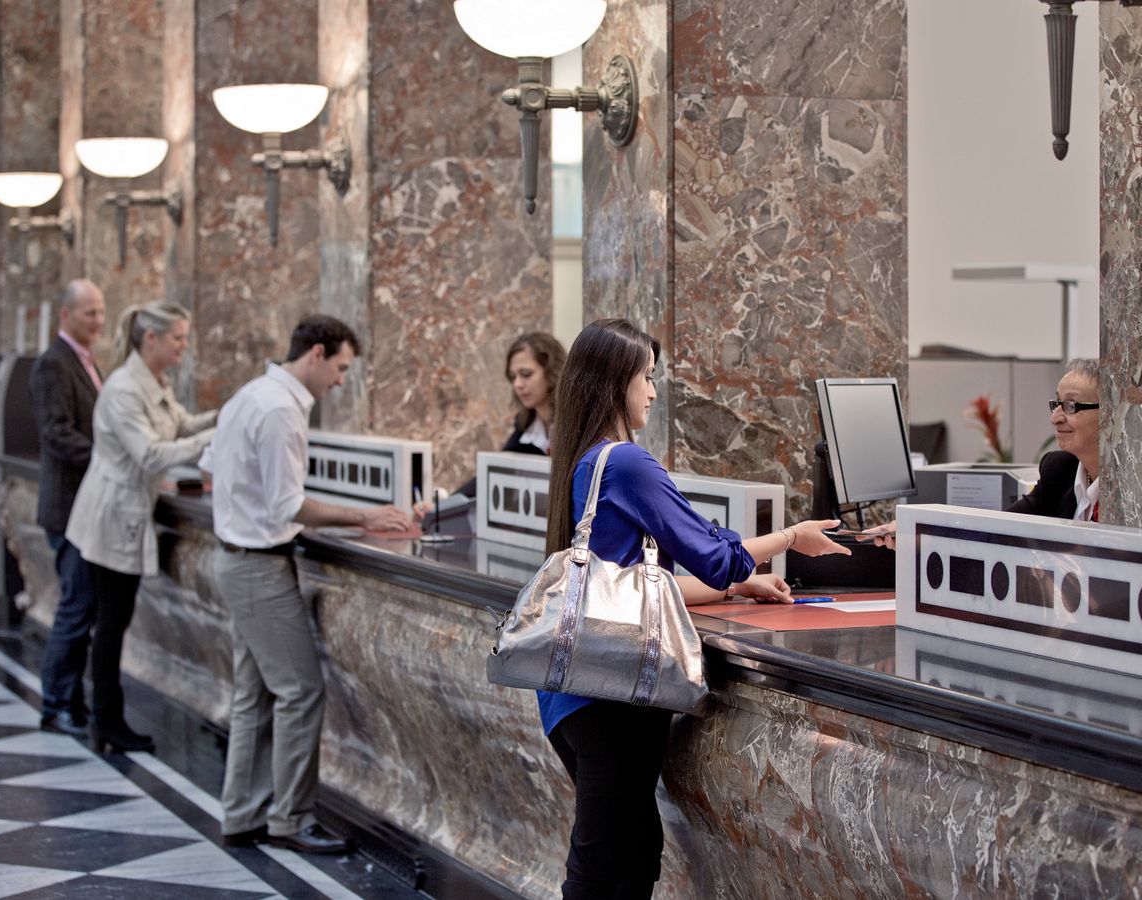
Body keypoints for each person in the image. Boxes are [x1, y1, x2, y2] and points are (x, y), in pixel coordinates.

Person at [542, 318, 850, 898]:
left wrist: (741, 586)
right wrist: (788, 539)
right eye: (647, 378)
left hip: (572, 697)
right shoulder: (628, 464)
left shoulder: (581, 462)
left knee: (627, 853)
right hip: (612, 699)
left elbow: (639, 585)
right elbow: (713, 557)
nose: (653, 393)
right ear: (616, 382)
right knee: (607, 869)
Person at [202, 315, 412, 854]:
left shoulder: (251, 395)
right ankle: (289, 820)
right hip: (257, 566)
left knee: (254, 694)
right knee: (299, 690)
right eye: (340, 368)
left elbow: (210, 469)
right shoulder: (279, 409)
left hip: (235, 558)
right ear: (316, 354)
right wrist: (365, 518)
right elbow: (288, 505)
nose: (341, 380)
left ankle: (242, 813)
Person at [65, 301, 217, 754]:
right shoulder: (123, 389)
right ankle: (107, 722)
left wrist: (221, 417)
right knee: (110, 622)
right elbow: (150, 453)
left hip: (126, 510)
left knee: (115, 619)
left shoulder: (153, 381)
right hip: (112, 515)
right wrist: (210, 438)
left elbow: (179, 424)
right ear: (150, 338)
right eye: (178, 339)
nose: (183, 348)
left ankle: (103, 718)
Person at [860, 357, 1101, 550]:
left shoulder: (1132, 492)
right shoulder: (1060, 470)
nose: (1055, 418)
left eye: (1071, 406)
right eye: (1056, 404)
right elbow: (995, 527)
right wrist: (915, 529)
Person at [29, 279, 106, 738]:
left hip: (87, 506)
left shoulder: (85, 360)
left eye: (100, 312)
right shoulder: (52, 365)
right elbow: (57, 434)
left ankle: (72, 701)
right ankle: (56, 704)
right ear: (65, 315)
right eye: (88, 313)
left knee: (83, 606)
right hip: (69, 507)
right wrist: (108, 459)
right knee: (75, 607)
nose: (97, 321)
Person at [455, 332, 566, 498]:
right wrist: (442, 505)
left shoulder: (573, 422)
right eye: (513, 377)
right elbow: (496, 472)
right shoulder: (525, 425)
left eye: (526, 374)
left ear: (552, 370)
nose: (518, 384)